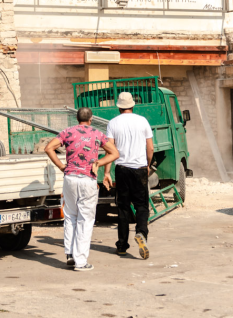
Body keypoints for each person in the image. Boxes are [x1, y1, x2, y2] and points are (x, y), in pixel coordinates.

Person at [44, 107, 119, 271]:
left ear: (77, 119)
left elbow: (49, 148)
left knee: (70, 216)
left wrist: (62, 166)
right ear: (91, 119)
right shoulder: (97, 134)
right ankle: (81, 261)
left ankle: (70, 254)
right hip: (87, 179)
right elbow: (115, 153)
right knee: (85, 219)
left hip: (70, 178)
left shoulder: (67, 132)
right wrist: (98, 163)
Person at [106, 91, 154, 259]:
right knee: (142, 206)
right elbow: (150, 147)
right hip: (139, 168)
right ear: (133, 105)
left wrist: (107, 172)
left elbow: (110, 149)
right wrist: (148, 165)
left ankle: (122, 246)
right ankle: (141, 233)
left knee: (123, 208)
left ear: (119, 107)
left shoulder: (113, 123)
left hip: (122, 169)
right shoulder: (143, 121)